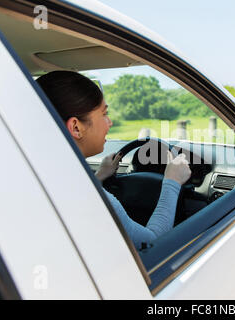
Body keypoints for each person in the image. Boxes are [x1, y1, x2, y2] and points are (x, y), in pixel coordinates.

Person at [36, 71, 191, 249]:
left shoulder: (40, 176)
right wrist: (172, 182)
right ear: (76, 127)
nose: (109, 123)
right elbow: (151, 242)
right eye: (104, 114)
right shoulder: (94, 199)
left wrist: (99, 176)